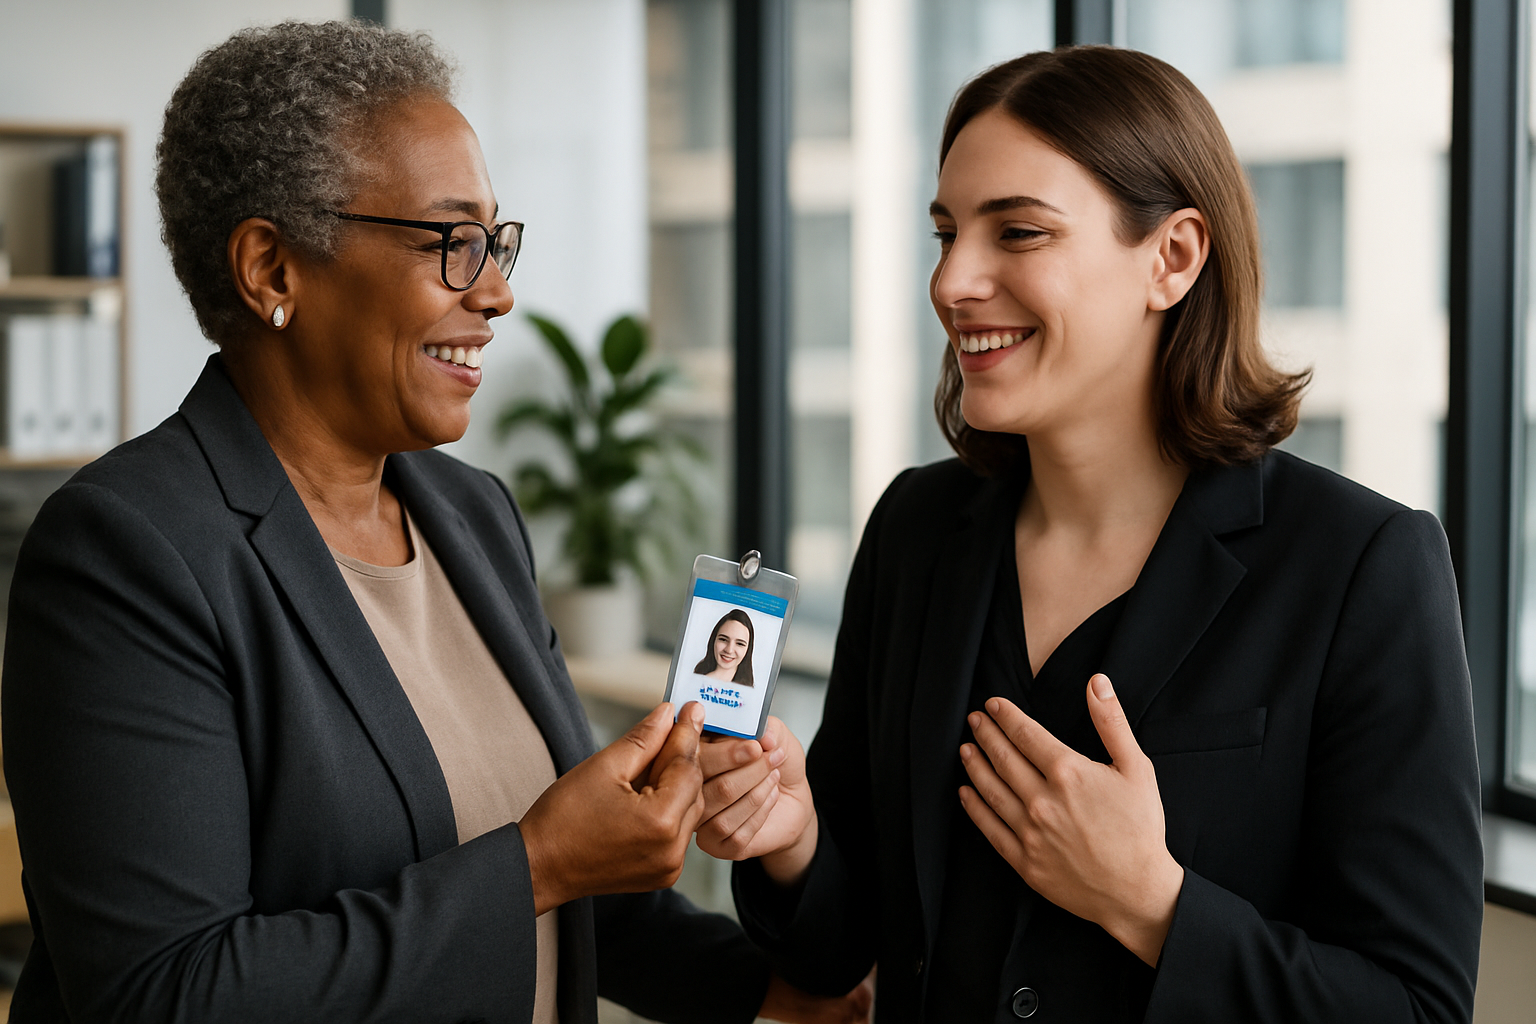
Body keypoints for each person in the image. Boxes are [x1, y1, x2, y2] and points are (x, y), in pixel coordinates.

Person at [0, 21, 868, 1024]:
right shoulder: (126, 552)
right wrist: (536, 863)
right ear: (272, 270)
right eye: (452, 242)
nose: (496, 292)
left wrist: (787, 994)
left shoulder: (474, 516)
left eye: (495, 241)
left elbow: (583, 913)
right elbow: (166, 994)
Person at [692, 46, 1483, 1023]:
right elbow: (840, 948)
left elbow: (1416, 1007)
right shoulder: (916, 530)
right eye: (945, 233)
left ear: (1174, 258)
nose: (951, 281)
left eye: (1017, 231)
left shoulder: (1361, 568)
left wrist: (1150, 902)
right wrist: (792, 840)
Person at [696, 609, 756, 684]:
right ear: (713, 640)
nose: (729, 650)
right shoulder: (697, 681)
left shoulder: (749, 689)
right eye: (723, 640)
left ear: (748, 649)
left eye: (740, 644)